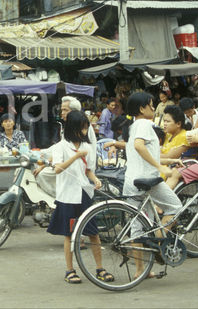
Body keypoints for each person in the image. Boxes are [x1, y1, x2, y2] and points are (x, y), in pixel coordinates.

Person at [48, 110, 112, 284]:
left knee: (93, 232)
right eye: (81, 129)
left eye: (85, 129)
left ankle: (100, 268)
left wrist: (95, 180)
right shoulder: (61, 146)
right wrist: (75, 156)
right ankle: (70, 270)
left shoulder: (87, 147)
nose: (84, 132)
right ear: (72, 128)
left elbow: (88, 170)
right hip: (67, 195)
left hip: (84, 192)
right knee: (69, 234)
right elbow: (57, 168)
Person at [123, 92, 182, 278]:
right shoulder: (144, 124)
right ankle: (158, 242)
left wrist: (170, 159)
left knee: (137, 227)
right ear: (142, 109)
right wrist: (160, 167)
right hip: (148, 179)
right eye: (150, 105)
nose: (153, 108)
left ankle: (140, 271)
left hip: (132, 180)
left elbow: (146, 151)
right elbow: (140, 146)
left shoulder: (134, 126)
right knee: (175, 207)